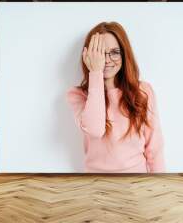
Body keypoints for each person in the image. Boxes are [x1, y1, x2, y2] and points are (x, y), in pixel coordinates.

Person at [66, 21, 164, 173]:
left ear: (124, 54)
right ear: (89, 56)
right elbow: (95, 130)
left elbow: (154, 148)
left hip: (136, 181)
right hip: (95, 182)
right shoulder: (78, 95)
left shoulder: (143, 91)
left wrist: (160, 186)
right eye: (99, 52)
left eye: (114, 52)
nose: (106, 59)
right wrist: (96, 73)